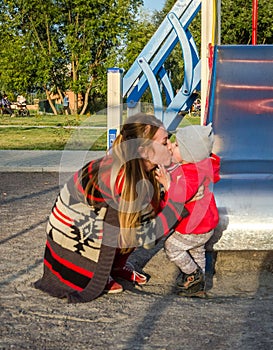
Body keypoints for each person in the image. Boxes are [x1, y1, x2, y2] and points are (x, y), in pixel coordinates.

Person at [34, 113, 202, 303]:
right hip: (73, 231)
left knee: (143, 216)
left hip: (84, 224)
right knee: (135, 223)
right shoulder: (121, 177)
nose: (170, 147)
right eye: (164, 143)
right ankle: (96, 273)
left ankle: (115, 266)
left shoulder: (138, 169)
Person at [156, 124, 220, 297]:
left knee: (172, 247)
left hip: (196, 225)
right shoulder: (196, 167)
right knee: (196, 250)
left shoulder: (192, 173)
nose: (171, 146)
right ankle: (199, 288)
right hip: (203, 223)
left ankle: (193, 275)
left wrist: (167, 184)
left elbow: (181, 195)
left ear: (188, 154)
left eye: (176, 145)